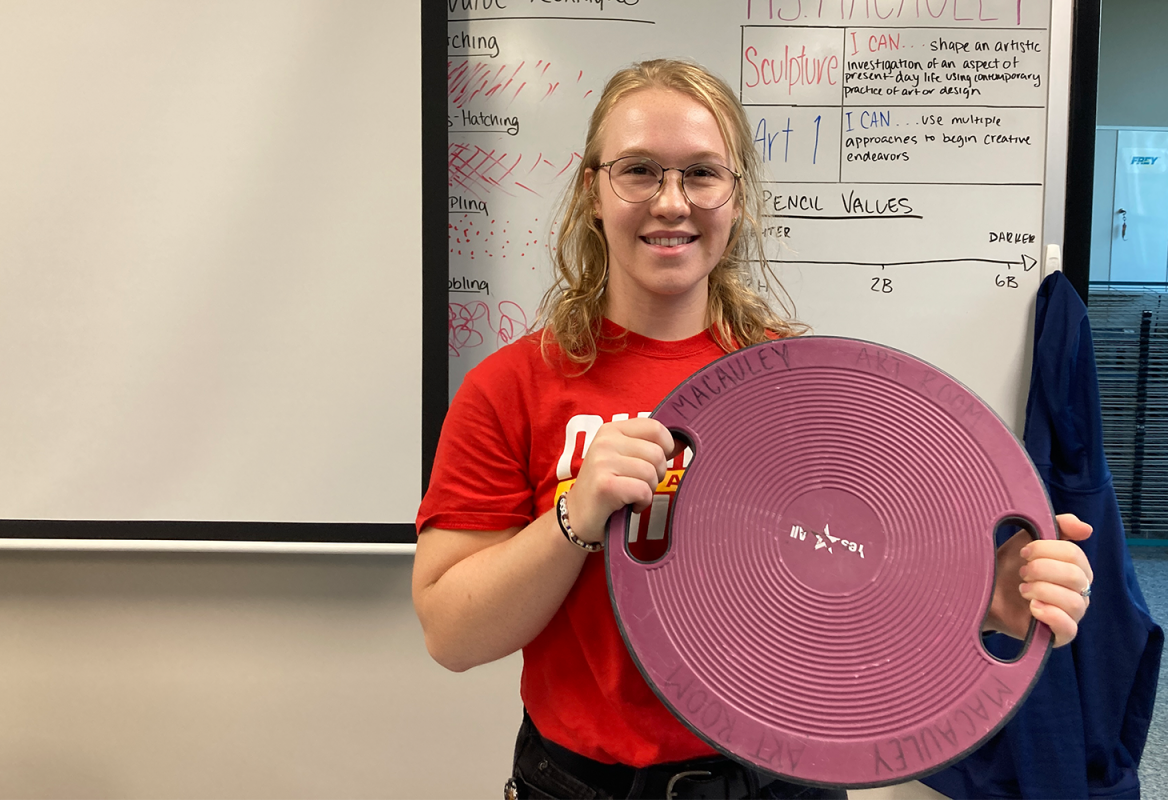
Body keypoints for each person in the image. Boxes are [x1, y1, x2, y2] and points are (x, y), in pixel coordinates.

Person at [413, 59, 1095, 800]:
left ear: (735, 198)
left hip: (781, 784)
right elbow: (452, 634)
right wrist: (575, 517)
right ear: (593, 191)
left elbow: (845, 574)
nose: (671, 201)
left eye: (702, 174)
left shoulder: (800, 385)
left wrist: (980, 597)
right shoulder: (510, 387)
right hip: (582, 785)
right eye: (638, 170)